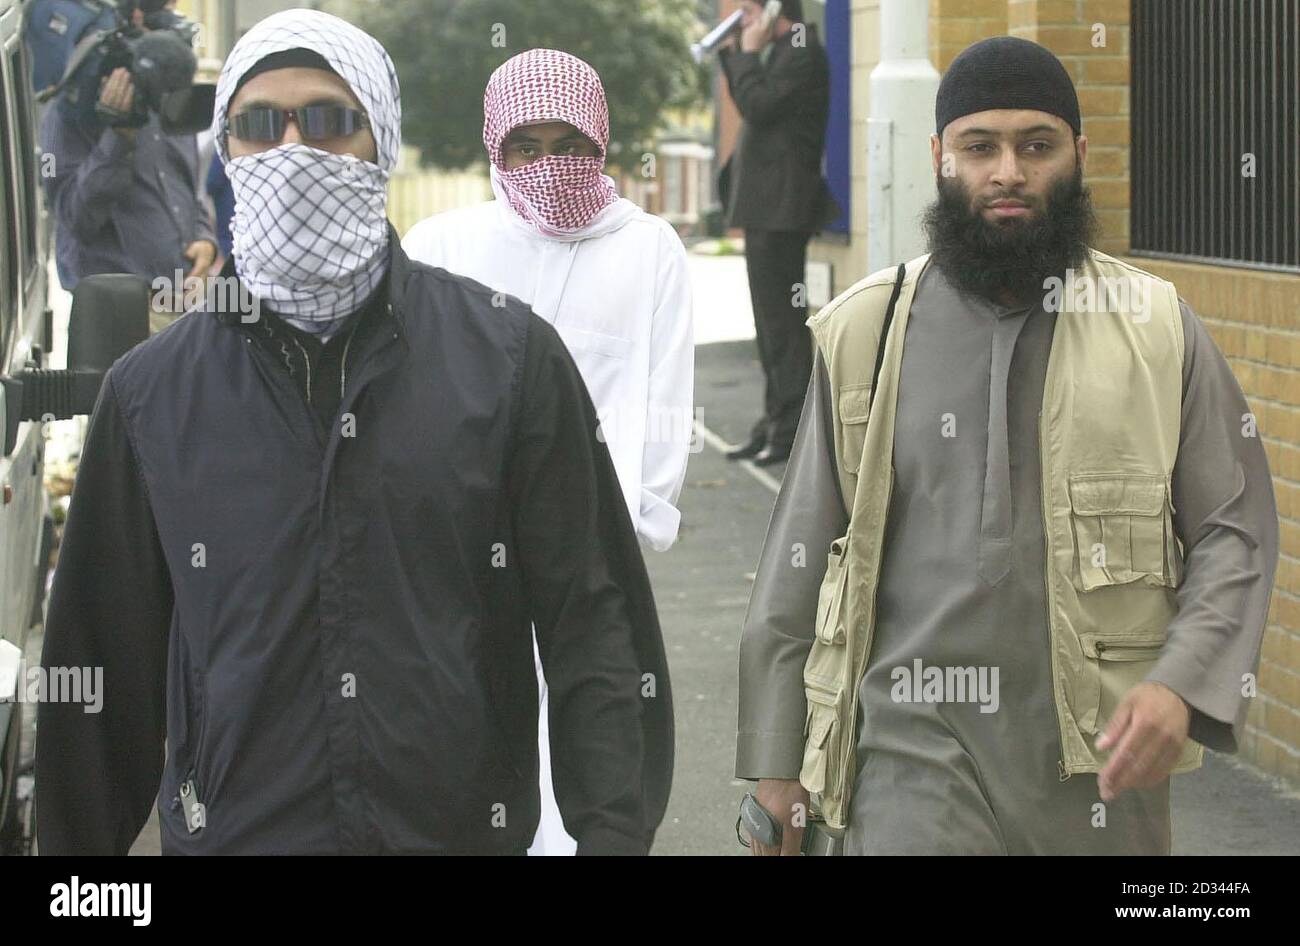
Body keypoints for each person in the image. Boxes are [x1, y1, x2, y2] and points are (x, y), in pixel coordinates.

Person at [36, 8, 672, 856]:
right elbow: (100, 679)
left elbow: (593, 625)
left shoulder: (508, 362)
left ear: (384, 144)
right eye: (260, 125)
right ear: (226, 154)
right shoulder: (154, 396)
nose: (294, 150)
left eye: (332, 121)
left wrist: (613, 834)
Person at [735, 36, 1278, 855]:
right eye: (978, 147)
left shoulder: (1156, 327)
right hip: (906, 749)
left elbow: (1233, 527)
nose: (1008, 173)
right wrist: (777, 766)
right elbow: (798, 562)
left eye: (1036, 146)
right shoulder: (865, 332)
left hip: (1097, 764)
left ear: (1079, 156)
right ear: (939, 158)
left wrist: (1183, 683)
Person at [403, 48, 694, 856]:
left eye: (568, 144)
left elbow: (666, 401)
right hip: (460, 549)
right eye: (525, 146)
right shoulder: (441, 243)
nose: (547, 165)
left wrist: (623, 538)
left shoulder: (649, 250)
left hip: (587, 551)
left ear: (599, 142)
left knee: (590, 742)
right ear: (494, 148)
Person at [40, 0, 216, 331]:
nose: (169, 16)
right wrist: (119, 138)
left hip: (189, 306)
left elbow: (189, 191)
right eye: (153, 7)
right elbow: (74, 216)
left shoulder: (168, 93)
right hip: (120, 317)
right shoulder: (68, 114)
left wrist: (204, 239)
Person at [717, 0, 836, 467]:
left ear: (772, 10)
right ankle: (772, 423)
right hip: (767, 209)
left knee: (784, 327)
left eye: (750, 11)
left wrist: (744, 55)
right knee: (768, 325)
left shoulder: (803, 49)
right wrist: (738, 56)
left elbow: (760, 106)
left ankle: (790, 433)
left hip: (784, 209)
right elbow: (755, 101)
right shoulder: (781, 51)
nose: (744, 21)